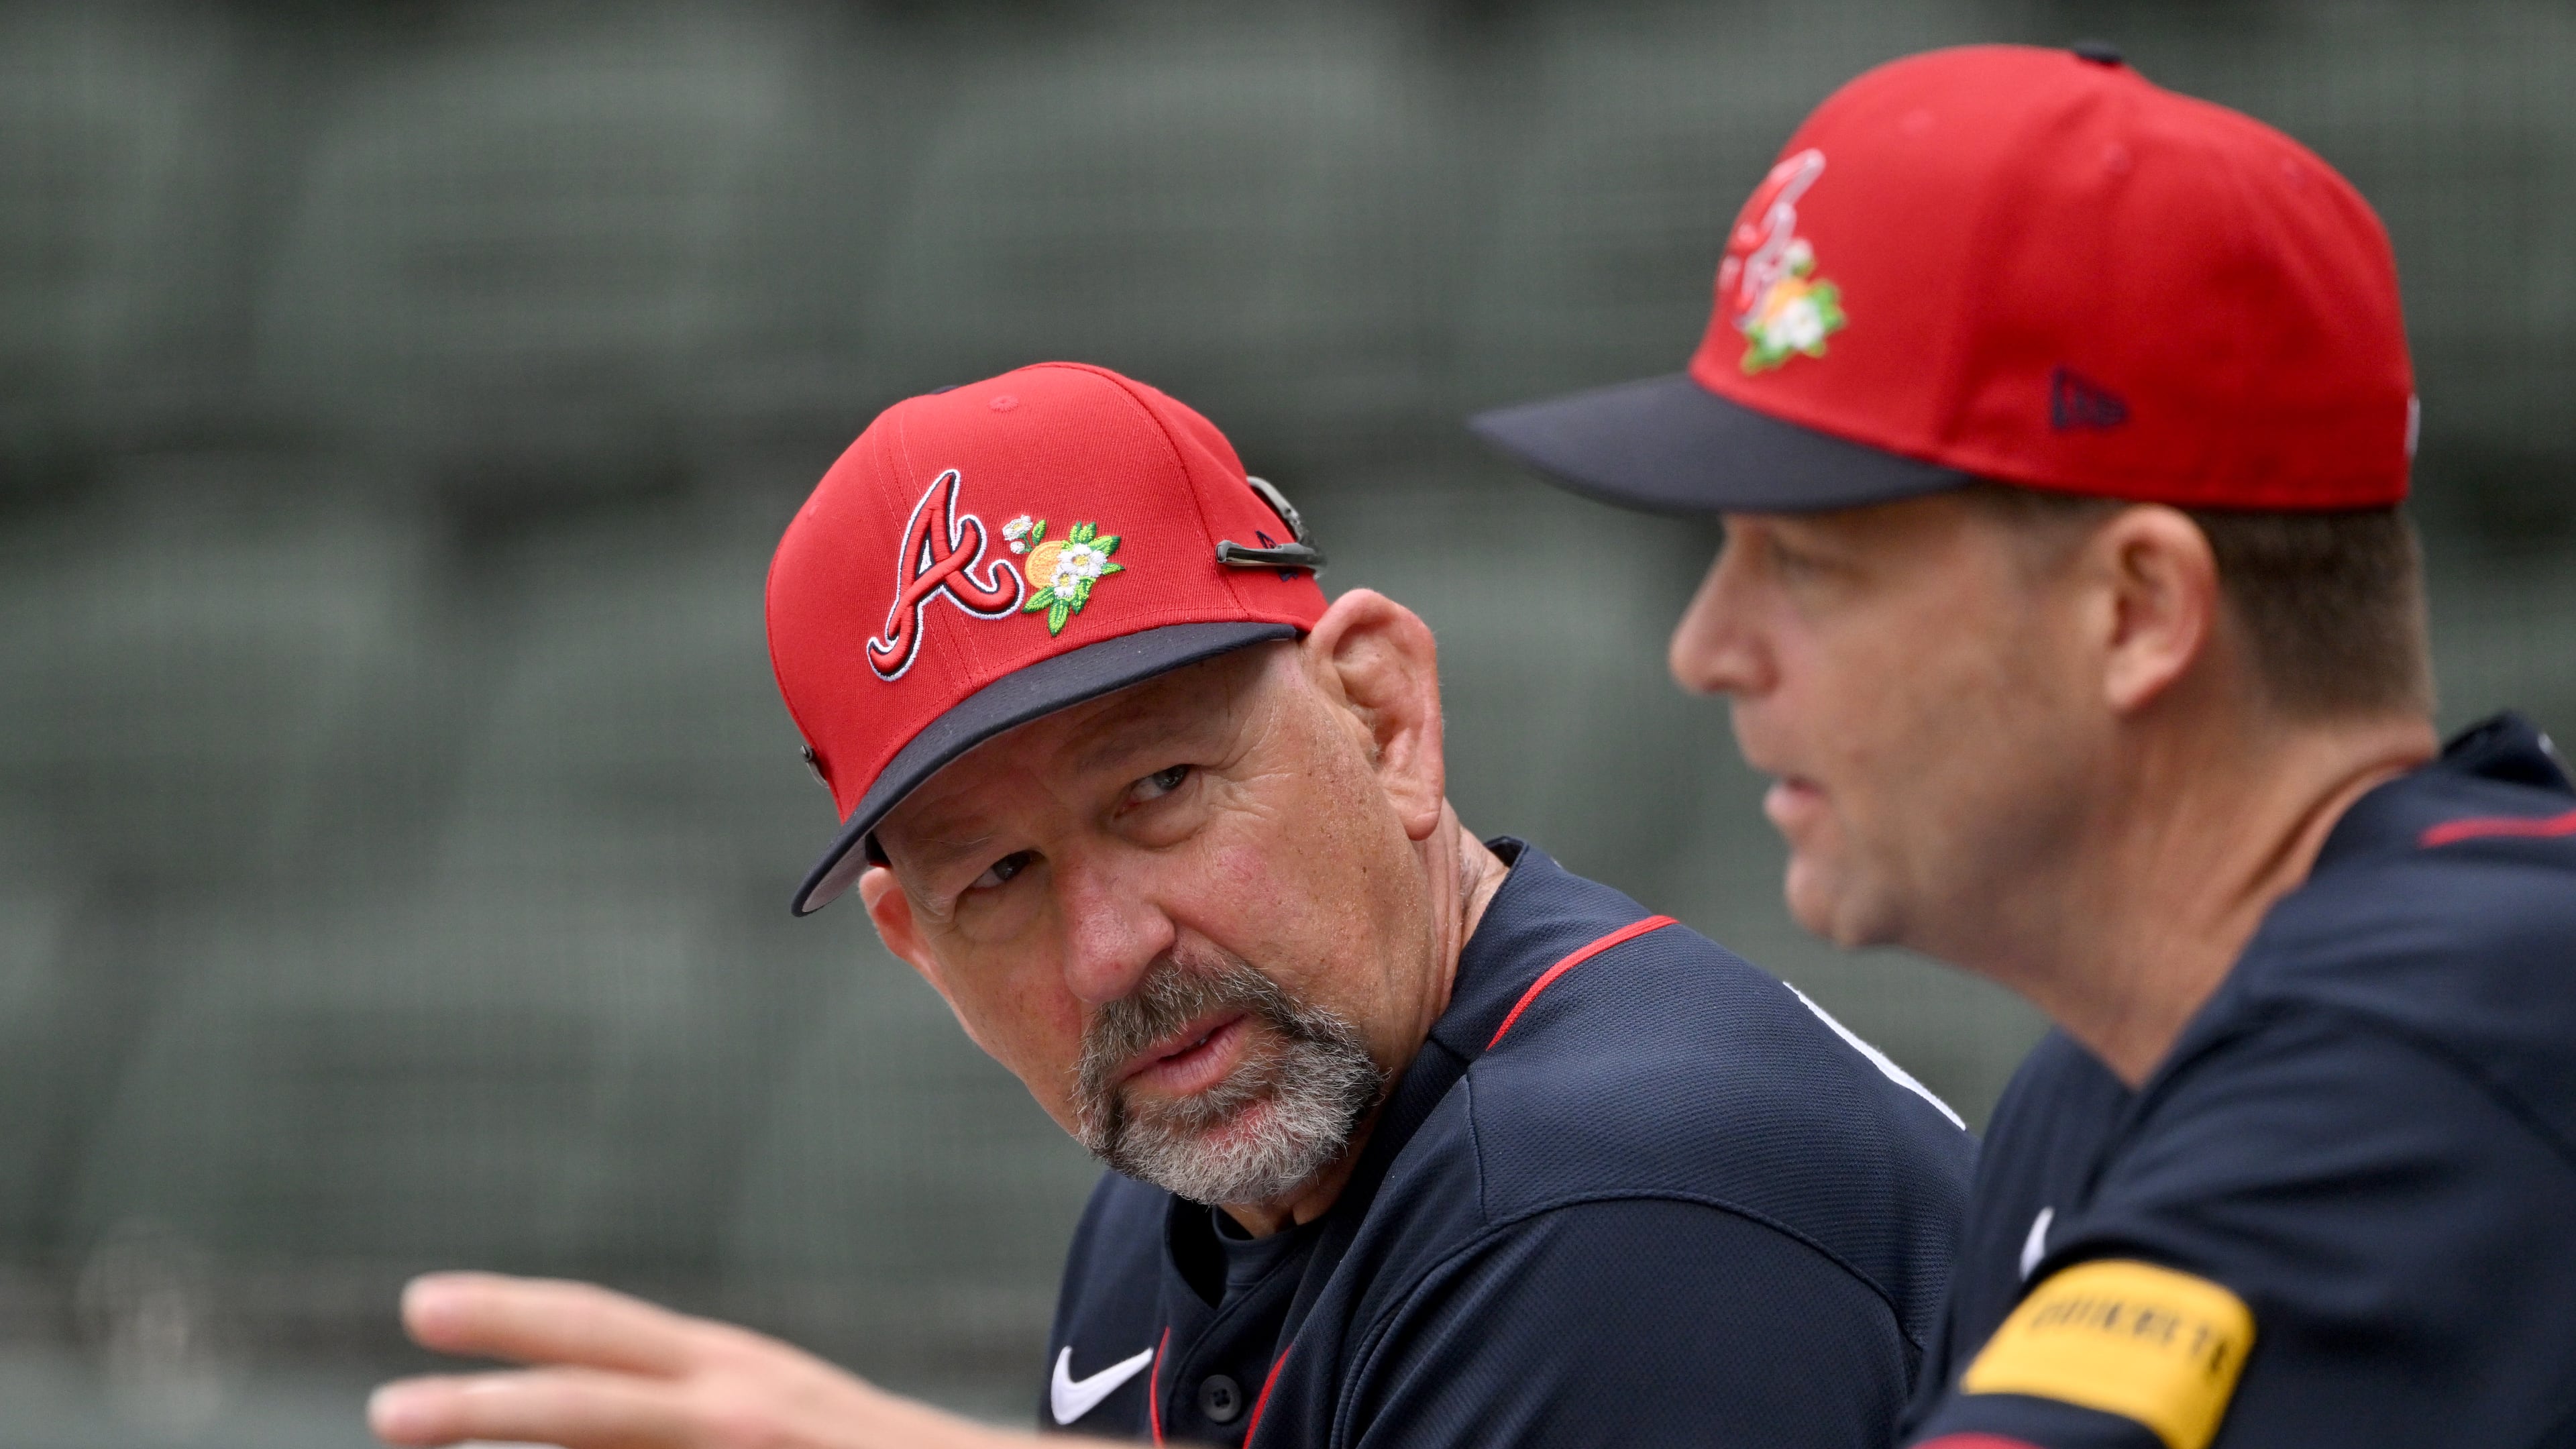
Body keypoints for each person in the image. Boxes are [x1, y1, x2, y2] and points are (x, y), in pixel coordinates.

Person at [368, 361, 1974, 1449]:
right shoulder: (1181, 1202)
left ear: (1384, 717)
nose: (1113, 948)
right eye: (998, 877)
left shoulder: (1618, 1198)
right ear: (915, 951)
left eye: (1162, 792)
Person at [1473, 41, 2576, 1449]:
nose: (1705, 648)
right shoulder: (2108, 1066)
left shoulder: (2455, 1030)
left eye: (1806, 562)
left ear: (2135, 613)